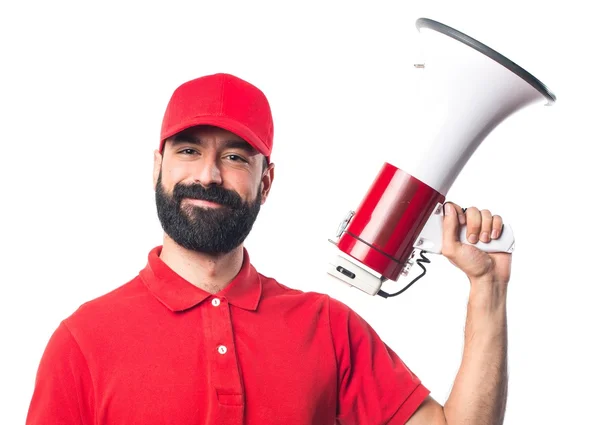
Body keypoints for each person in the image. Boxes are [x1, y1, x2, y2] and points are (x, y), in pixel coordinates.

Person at [26, 73, 511, 425]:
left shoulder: (328, 329)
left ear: (267, 181)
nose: (208, 174)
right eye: (189, 150)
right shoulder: (82, 343)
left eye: (235, 156)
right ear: (158, 167)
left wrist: (487, 289)